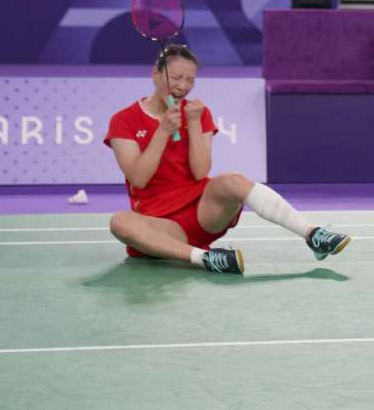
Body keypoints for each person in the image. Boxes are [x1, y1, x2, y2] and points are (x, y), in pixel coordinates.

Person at [104, 45, 351, 275]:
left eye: (190, 80)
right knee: (120, 222)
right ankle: (207, 259)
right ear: (155, 74)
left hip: (202, 212)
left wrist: (192, 122)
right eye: (176, 77)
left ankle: (312, 235)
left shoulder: (197, 113)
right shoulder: (123, 120)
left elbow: (201, 172)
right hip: (160, 224)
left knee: (231, 180)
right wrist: (163, 132)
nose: (183, 86)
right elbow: (138, 177)